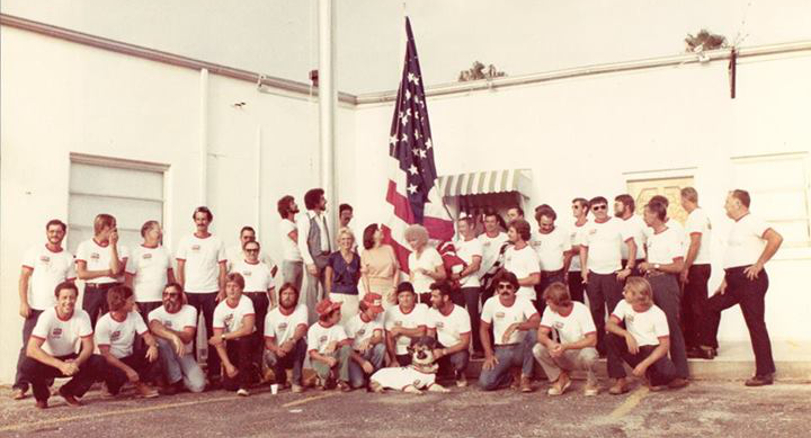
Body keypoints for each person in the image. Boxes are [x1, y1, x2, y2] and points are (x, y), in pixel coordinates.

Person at [701, 190, 782, 386]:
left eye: (727, 202)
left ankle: (764, 373)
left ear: (738, 203)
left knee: (755, 325)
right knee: (710, 306)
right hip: (734, 280)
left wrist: (759, 264)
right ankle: (709, 345)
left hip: (750, 280)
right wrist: (726, 279)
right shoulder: (737, 226)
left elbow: (776, 238)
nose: (724, 206)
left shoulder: (753, 221)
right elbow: (736, 255)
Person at [13, 219, 77, 401]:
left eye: (58, 231)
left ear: (64, 234)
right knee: (29, 348)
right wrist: (23, 303)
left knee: (53, 348)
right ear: (47, 232)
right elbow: (24, 278)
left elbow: (71, 285)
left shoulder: (67, 258)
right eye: (52, 231)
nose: (55, 234)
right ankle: (21, 385)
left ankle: (44, 385)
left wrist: (69, 308)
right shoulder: (34, 251)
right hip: (35, 309)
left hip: (57, 312)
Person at [19, 281, 106, 409]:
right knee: (27, 365)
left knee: (99, 361)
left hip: (70, 359)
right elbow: (31, 349)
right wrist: (61, 365)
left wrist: (76, 362)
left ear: (76, 298)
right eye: (64, 298)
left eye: (72, 297)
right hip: (50, 361)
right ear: (57, 299)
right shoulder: (47, 316)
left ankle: (69, 391)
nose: (68, 301)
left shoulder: (82, 315)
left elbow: (89, 347)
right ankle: (42, 397)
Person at [638, 200, 690, 386]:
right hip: (652, 282)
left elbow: (678, 265)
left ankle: (681, 374)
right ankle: (662, 372)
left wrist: (654, 265)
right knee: (653, 328)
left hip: (666, 283)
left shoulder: (671, 235)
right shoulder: (651, 237)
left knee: (671, 325)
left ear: (654, 215)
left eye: (645, 214)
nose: (644, 217)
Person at [176, 206, 227, 386]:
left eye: (204, 219)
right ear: (194, 220)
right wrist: (181, 290)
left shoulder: (217, 242)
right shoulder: (185, 240)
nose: (201, 222)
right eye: (198, 219)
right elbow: (180, 267)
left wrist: (222, 289)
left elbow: (222, 268)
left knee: (214, 332)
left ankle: (214, 372)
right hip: (190, 291)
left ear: (209, 220)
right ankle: (195, 371)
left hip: (211, 291)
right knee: (192, 332)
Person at [579, 196, 637, 356]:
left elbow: (633, 245)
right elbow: (583, 248)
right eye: (596, 208)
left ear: (607, 207)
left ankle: (619, 347)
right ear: (591, 210)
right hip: (594, 275)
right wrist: (584, 269)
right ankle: (600, 348)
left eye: (603, 207)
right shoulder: (587, 227)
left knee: (616, 312)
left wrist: (629, 268)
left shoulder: (618, 223)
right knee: (596, 311)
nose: (600, 210)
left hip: (613, 274)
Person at [605, 277, 679, 394]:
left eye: (626, 292)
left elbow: (664, 346)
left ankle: (650, 375)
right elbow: (609, 325)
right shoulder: (623, 304)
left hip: (651, 351)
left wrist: (644, 364)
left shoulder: (657, 313)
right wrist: (626, 334)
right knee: (610, 337)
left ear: (636, 296)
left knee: (669, 373)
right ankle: (620, 381)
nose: (623, 293)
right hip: (633, 348)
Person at [533, 282, 599, 396]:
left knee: (590, 355)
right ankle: (560, 378)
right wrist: (550, 343)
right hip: (563, 352)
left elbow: (592, 340)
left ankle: (592, 382)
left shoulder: (581, 309)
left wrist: (566, 346)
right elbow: (541, 334)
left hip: (581, 351)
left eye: (549, 301)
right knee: (538, 349)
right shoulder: (549, 310)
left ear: (558, 302)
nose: (547, 303)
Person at [478, 270, 539, 392]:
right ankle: (511, 377)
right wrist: (488, 354)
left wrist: (517, 325)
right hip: (502, 350)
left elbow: (537, 321)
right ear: (497, 288)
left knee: (533, 333)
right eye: (501, 287)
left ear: (515, 288)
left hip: (521, 349)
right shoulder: (491, 302)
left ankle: (525, 377)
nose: (505, 290)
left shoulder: (523, 301)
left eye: (508, 287)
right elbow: (483, 329)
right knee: (485, 383)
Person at [96, 285, 160, 398]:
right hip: (114, 363)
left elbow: (147, 336)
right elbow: (106, 355)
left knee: (152, 352)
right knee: (112, 390)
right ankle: (110, 385)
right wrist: (128, 370)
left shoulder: (134, 315)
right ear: (120, 301)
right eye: (130, 300)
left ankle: (140, 385)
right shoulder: (104, 323)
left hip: (129, 358)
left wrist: (153, 346)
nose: (133, 302)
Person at [148, 283, 206, 394]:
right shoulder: (155, 313)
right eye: (165, 294)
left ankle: (176, 378)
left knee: (199, 386)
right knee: (161, 341)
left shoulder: (190, 310)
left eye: (172, 295)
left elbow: (188, 337)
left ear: (180, 297)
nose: (168, 298)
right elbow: (155, 328)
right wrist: (174, 337)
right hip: (165, 355)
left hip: (183, 353)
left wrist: (166, 330)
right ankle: (176, 381)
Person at [76, 213, 129, 328]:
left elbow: (115, 270)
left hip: (111, 289)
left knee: (111, 324)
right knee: (87, 325)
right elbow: (81, 274)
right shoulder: (85, 246)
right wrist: (105, 272)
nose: (115, 229)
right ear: (103, 227)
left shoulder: (119, 248)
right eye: (113, 226)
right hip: (92, 290)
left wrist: (113, 246)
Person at [679, 187, 714, 358]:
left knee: (696, 307)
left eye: (681, 200)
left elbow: (695, 243)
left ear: (686, 199)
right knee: (696, 305)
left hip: (697, 266)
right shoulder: (702, 215)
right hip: (702, 264)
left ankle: (701, 345)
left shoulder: (695, 217)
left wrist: (686, 267)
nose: (681, 203)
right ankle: (702, 343)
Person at [210, 273, 258, 396]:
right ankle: (251, 372)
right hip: (232, 342)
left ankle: (244, 385)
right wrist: (227, 365)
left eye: (235, 286)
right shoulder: (220, 309)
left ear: (241, 288)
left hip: (249, 340)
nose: (231, 289)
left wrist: (223, 337)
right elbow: (217, 340)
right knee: (230, 386)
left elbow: (248, 329)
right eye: (228, 286)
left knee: (244, 341)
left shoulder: (246, 302)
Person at [231, 239, 275, 365]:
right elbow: (232, 286)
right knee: (244, 334)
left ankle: (256, 368)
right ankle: (242, 366)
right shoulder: (238, 266)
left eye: (255, 250)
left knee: (259, 334)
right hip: (244, 301)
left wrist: (274, 303)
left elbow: (271, 287)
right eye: (249, 250)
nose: (252, 253)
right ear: (244, 251)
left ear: (258, 251)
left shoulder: (264, 267)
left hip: (261, 301)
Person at [125, 220, 174, 323]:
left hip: (163, 301)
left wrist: (176, 296)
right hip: (142, 301)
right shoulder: (136, 253)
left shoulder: (165, 251)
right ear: (147, 232)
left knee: (161, 335)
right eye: (158, 230)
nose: (161, 233)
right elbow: (128, 281)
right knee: (144, 336)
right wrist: (131, 302)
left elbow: (171, 277)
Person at [264, 283, 309, 393]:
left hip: (293, 349)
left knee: (301, 342)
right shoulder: (271, 315)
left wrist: (292, 341)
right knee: (269, 356)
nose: (287, 297)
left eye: (291, 294)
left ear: (296, 297)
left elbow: (302, 327)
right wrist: (277, 349)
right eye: (284, 294)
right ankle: (280, 380)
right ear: (280, 296)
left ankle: (296, 382)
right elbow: (268, 341)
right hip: (279, 352)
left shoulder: (302, 308)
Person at [298, 188, 333, 324]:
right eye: (322, 199)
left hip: (326, 258)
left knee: (327, 291)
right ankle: (312, 323)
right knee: (312, 293)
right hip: (314, 259)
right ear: (316, 202)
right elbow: (302, 243)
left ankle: (326, 321)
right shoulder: (305, 219)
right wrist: (309, 263)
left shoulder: (322, 217)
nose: (325, 201)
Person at [426, 282, 471, 387]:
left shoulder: (461, 313)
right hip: (440, 346)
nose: (431, 299)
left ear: (445, 298)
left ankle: (459, 373)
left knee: (461, 360)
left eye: (435, 296)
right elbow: (430, 336)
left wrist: (444, 351)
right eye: (431, 296)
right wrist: (431, 352)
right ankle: (429, 374)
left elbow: (465, 343)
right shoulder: (432, 311)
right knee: (424, 341)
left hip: (457, 348)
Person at [451, 216, 483, 356]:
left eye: (463, 226)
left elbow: (475, 265)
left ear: (471, 226)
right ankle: (461, 348)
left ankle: (477, 348)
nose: (461, 229)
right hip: (458, 286)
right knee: (458, 316)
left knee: (473, 316)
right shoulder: (457, 243)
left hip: (471, 284)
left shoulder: (476, 243)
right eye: (460, 226)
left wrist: (460, 275)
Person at [531, 205, 572, 316]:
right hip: (540, 276)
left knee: (559, 305)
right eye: (544, 224)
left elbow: (568, 254)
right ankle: (545, 333)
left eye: (550, 224)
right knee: (542, 306)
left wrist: (564, 273)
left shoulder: (562, 233)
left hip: (557, 275)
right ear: (538, 221)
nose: (548, 227)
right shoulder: (533, 236)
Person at [307, 298, 352, 391]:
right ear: (328, 317)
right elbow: (312, 353)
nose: (341, 316)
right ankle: (320, 377)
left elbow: (346, 343)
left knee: (346, 349)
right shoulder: (313, 329)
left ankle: (342, 380)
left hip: (334, 356)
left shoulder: (338, 327)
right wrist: (326, 359)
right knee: (325, 373)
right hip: (320, 358)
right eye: (338, 314)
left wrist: (336, 342)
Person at [345, 293, 387, 389]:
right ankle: (362, 374)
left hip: (368, 352)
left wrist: (370, 340)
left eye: (378, 310)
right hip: (355, 357)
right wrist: (362, 362)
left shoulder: (377, 317)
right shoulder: (352, 322)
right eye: (373, 311)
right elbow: (347, 348)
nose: (376, 313)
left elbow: (378, 337)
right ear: (364, 309)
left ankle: (374, 376)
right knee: (358, 383)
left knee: (381, 347)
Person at [384, 282, 429, 366]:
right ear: (398, 298)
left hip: (417, 350)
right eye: (401, 296)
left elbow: (422, 332)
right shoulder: (391, 311)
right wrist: (393, 360)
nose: (405, 299)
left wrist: (400, 330)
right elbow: (389, 338)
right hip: (398, 352)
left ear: (414, 296)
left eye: (408, 296)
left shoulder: (422, 308)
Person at [325, 228, 361, 324]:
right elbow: (328, 278)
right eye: (343, 239)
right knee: (338, 322)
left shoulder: (357, 258)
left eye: (349, 239)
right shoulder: (333, 257)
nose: (346, 241)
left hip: (352, 295)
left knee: (352, 322)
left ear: (352, 241)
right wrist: (329, 295)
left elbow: (357, 277)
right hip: (336, 294)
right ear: (339, 241)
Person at [359, 223, 400, 308]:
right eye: (378, 230)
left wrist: (394, 288)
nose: (381, 230)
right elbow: (364, 276)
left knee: (389, 316)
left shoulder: (389, 249)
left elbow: (397, 270)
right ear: (372, 235)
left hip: (389, 289)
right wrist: (368, 294)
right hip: (373, 288)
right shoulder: (365, 252)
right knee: (375, 317)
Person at [404, 224, 446, 303]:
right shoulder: (411, 256)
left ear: (422, 239)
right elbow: (411, 278)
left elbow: (443, 276)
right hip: (415, 295)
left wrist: (428, 272)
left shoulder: (432, 252)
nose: (411, 243)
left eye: (414, 240)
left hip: (430, 294)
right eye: (409, 241)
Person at [503, 219, 541, 306]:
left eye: (511, 231)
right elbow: (506, 274)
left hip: (526, 297)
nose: (508, 234)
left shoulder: (530, 253)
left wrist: (513, 282)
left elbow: (535, 279)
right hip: (509, 297)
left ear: (520, 234)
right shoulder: (509, 251)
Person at [477, 209, 510, 305]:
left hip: (500, 277)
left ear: (498, 223)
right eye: (487, 221)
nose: (489, 224)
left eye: (492, 222)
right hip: (484, 278)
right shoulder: (480, 239)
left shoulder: (506, 238)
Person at [614, 194, 650, 276]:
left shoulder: (640, 221)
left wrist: (648, 262)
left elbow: (652, 239)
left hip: (637, 264)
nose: (614, 208)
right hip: (619, 264)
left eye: (617, 205)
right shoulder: (615, 222)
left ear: (627, 206)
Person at [278, 195, 304, 293]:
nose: (296, 205)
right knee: (288, 293)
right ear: (287, 208)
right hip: (291, 262)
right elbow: (299, 240)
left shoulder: (297, 223)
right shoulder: (285, 223)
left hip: (300, 262)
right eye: (292, 203)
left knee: (296, 294)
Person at [565, 198, 589, 303]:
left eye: (576, 207)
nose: (573, 209)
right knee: (576, 300)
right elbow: (566, 249)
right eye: (572, 207)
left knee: (594, 301)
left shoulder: (591, 226)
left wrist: (576, 248)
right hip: (573, 269)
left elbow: (591, 246)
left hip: (588, 269)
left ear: (584, 209)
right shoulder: (569, 227)